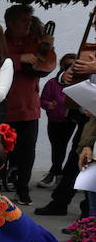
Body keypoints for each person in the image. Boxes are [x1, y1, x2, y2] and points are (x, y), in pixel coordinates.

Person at [2, 5, 57, 204]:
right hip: (6, 106)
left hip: (29, 107)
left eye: (29, 20)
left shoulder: (35, 40)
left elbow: (46, 65)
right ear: (11, 23)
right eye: (24, 20)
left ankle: (23, 189)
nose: (28, 24)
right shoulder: (1, 41)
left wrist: (48, 47)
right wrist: (18, 58)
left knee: (27, 150)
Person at [38, 53, 80, 188]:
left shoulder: (77, 84)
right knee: (56, 146)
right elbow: (43, 99)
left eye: (72, 66)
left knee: (61, 146)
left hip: (69, 121)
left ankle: (54, 173)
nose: (70, 69)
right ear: (61, 66)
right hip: (54, 120)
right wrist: (48, 105)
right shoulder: (52, 83)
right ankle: (57, 173)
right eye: (67, 65)